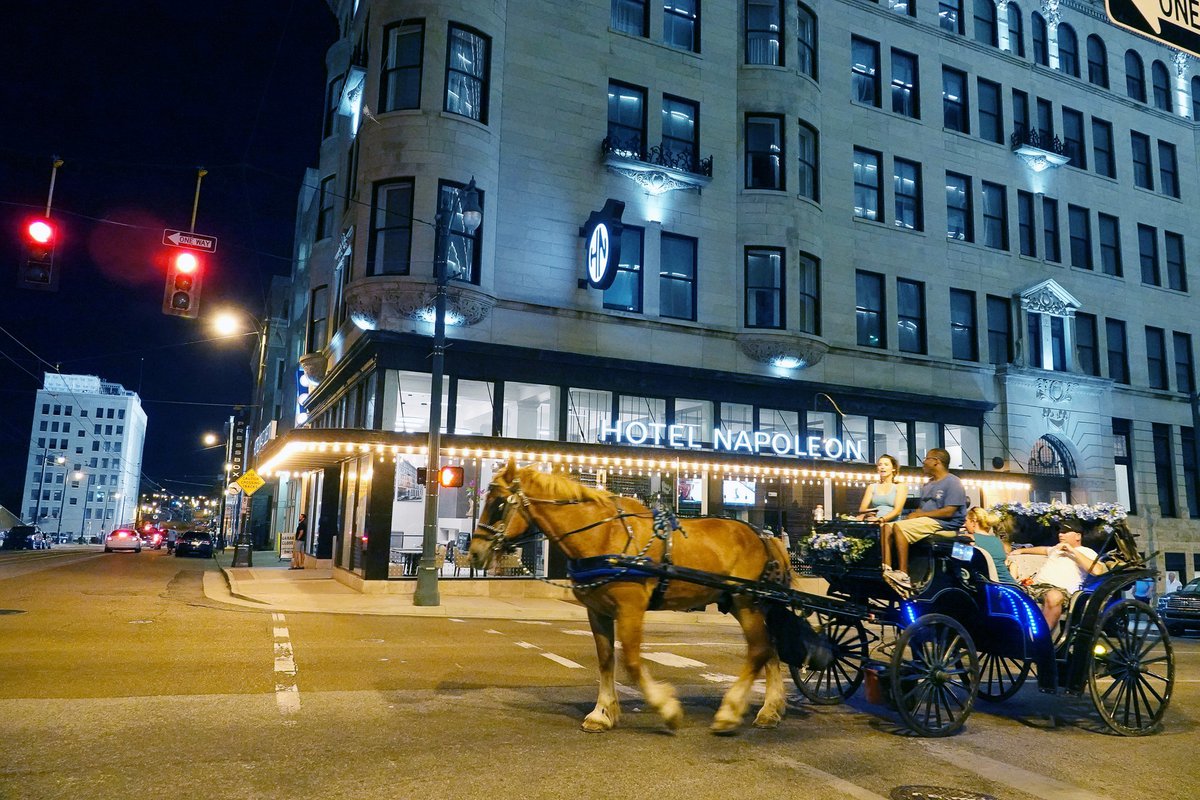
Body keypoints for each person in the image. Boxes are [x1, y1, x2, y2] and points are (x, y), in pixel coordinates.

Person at [880, 448, 967, 591]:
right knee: (887, 527)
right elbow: (922, 510)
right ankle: (887, 568)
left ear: (936, 462)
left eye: (926, 459)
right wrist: (916, 515)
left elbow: (949, 511)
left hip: (945, 524)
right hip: (927, 520)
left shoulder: (953, 482)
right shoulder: (928, 484)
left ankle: (903, 574)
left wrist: (920, 515)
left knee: (900, 527)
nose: (923, 462)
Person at [1020, 522, 1107, 629]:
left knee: (1054, 596)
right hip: (1036, 587)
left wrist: (1072, 551)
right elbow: (1043, 549)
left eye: (1065, 532)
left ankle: (1042, 638)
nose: (1061, 535)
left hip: (1061, 591)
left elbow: (1097, 571)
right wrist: (1020, 550)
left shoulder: (1086, 552)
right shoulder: (1057, 548)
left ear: (1078, 536)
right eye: (1060, 532)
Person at [960, 507, 1017, 585]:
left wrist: (957, 533)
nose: (964, 525)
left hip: (995, 586)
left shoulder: (970, 539)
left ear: (973, 522)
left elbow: (959, 560)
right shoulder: (997, 541)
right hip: (1011, 585)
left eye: (966, 521)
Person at [855, 454, 908, 523]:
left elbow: (897, 511)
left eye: (886, 465)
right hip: (873, 522)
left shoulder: (900, 486)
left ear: (893, 468)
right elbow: (862, 509)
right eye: (880, 465)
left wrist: (881, 519)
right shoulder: (872, 487)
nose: (882, 467)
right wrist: (869, 513)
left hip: (892, 523)